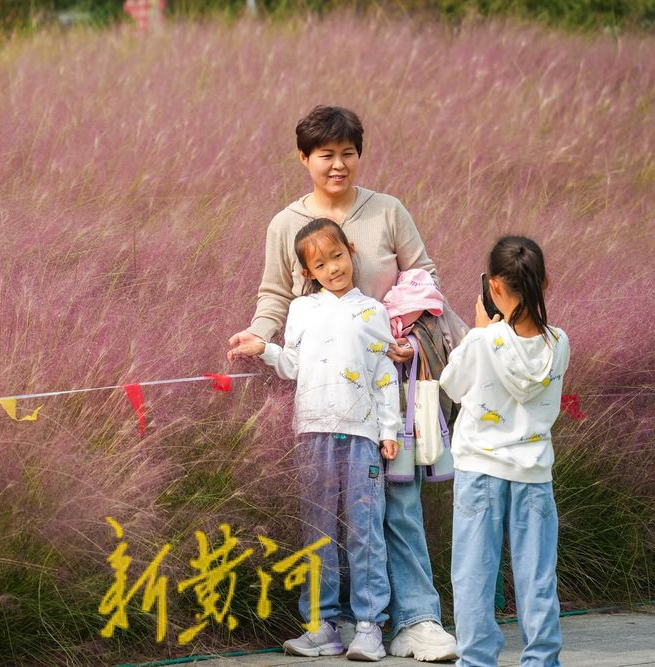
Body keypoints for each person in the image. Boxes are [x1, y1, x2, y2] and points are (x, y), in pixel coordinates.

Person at [228, 105, 460, 661]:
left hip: (394, 379)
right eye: (326, 155)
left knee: (398, 503)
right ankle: (338, 623)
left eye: (347, 153)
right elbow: (274, 296)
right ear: (304, 158)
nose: (338, 165)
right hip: (326, 394)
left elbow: (422, 278)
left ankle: (417, 620)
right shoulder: (286, 223)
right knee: (330, 517)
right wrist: (259, 338)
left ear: (360, 153)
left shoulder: (387, 211)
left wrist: (412, 335)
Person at [230, 218, 400, 661]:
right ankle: (321, 626)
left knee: (364, 530)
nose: (333, 268)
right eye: (321, 264)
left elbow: (384, 374)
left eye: (338, 256)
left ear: (351, 251)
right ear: (308, 273)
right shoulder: (303, 311)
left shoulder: (372, 311)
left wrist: (389, 430)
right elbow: (291, 365)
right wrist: (261, 348)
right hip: (312, 434)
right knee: (318, 531)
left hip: (362, 436)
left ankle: (368, 626)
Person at [440, 236, 570, 667]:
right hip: (534, 475)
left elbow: (452, 385)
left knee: (475, 573)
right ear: (544, 281)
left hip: (480, 471)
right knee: (537, 577)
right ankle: (541, 659)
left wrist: (481, 329)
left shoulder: (482, 341)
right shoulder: (559, 344)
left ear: (493, 286)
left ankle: (476, 660)